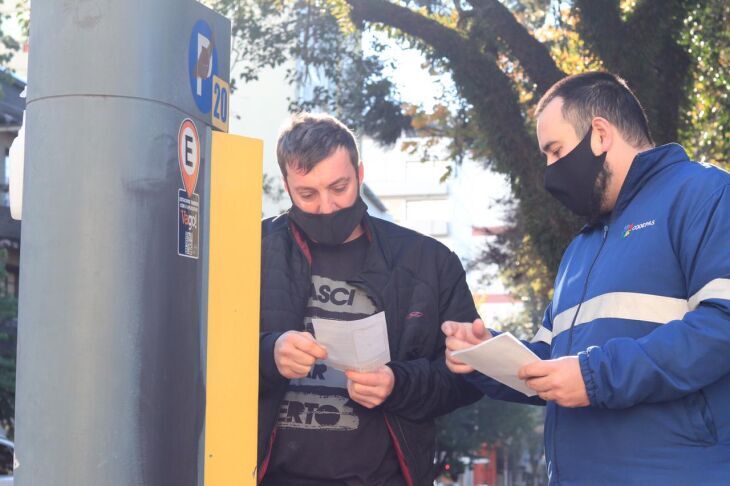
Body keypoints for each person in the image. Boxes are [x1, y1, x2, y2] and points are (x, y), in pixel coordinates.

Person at [443, 72, 730, 484]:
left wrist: (596, 378)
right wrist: (485, 356)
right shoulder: (582, 247)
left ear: (599, 134)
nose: (549, 171)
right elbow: (549, 362)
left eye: (555, 150)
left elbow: (723, 324)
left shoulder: (707, 194)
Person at [257, 113, 482, 485]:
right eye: (307, 194)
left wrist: (398, 383)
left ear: (360, 175)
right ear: (286, 185)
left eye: (339, 187)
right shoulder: (253, 251)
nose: (327, 207)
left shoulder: (428, 261)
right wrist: (269, 354)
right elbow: (201, 356)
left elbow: (468, 379)